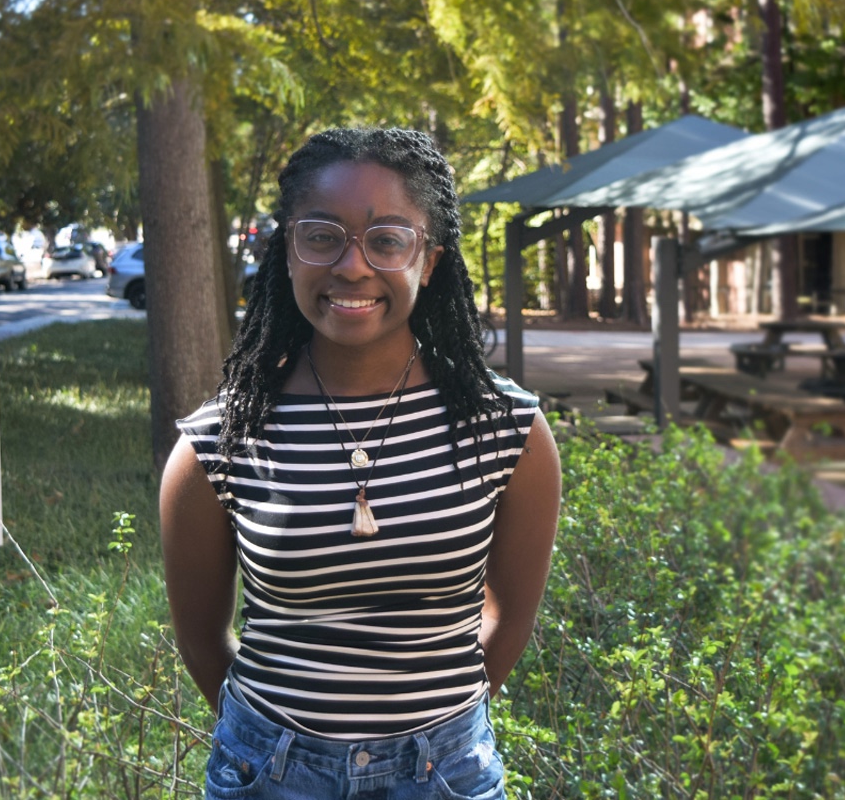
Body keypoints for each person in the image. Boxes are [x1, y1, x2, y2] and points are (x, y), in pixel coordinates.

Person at [160, 128, 561, 799]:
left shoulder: (506, 431)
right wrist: (282, 744)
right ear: (287, 250)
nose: (352, 266)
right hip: (271, 773)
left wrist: (432, 732)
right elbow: (204, 643)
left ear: (428, 260)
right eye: (321, 235)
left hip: (446, 774)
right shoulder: (219, 444)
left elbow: (509, 618)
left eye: (386, 240)